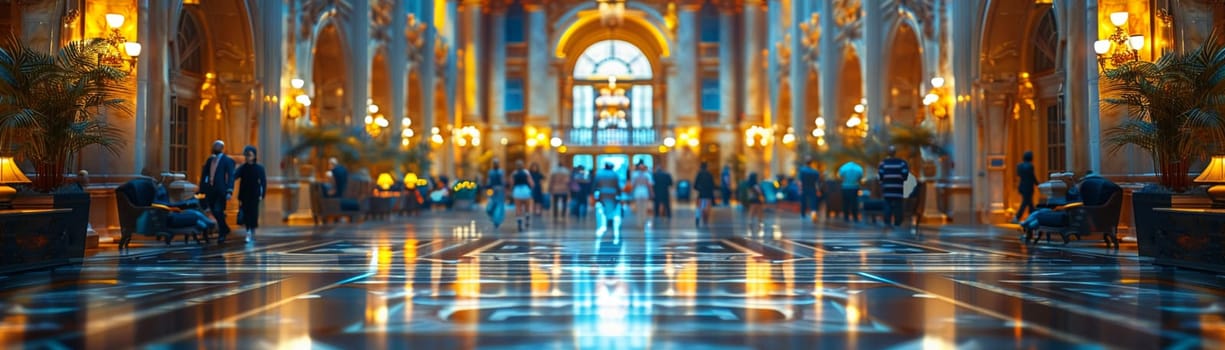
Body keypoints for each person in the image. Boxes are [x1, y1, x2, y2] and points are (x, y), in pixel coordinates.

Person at [198, 140, 235, 243]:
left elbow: (231, 176)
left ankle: (222, 233)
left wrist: (229, 191)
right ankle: (225, 228)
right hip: (210, 191)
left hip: (221, 191)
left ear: (222, 148)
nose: (215, 148)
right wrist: (202, 189)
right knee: (214, 211)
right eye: (214, 146)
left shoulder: (227, 161)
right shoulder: (209, 160)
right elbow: (204, 175)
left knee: (218, 210)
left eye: (217, 147)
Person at [234, 146, 266, 243]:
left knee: (253, 214)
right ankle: (248, 231)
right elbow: (235, 176)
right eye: (246, 155)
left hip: (254, 195)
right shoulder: (242, 167)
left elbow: (263, 182)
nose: (248, 157)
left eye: (250, 155)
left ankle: (252, 231)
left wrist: (262, 194)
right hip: (244, 194)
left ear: (254, 156)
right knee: (246, 214)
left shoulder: (259, 168)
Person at [878, 146, 910, 227]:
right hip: (898, 188)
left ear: (888, 153)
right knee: (898, 206)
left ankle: (887, 222)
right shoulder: (902, 163)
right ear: (895, 152)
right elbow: (905, 174)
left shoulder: (883, 163)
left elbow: (881, 175)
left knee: (887, 205)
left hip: (887, 188)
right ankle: (897, 222)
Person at [594, 162, 622, 228]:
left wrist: (594, 192)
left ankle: (607, 217)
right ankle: (609, 218)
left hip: (603, 193)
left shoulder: (600, 174)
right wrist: (619, 193)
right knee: (611, 207)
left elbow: (596, 184)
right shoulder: (614, 174)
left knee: (604, 207)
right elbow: (617, 185)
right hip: (612, 193)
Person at [1013, 151, 1038, 223]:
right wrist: (1038, 184)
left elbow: (1018, 175)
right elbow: (1032, 176)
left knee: (1029, 203)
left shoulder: (1019, 166)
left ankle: (1032, 217)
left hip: (1022, 186)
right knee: (1026, 202)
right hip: (1029, 187)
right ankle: (1017, 217)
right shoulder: (1030, 166)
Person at [510, 160, 535, 231]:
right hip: (525, 190)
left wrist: (512, 190)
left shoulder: (514, 173)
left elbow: (512, 183)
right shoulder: (526, 172)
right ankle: (527, 220)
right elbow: (531, 183)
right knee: (527, 207)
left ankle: (519, 224)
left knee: (518, 208)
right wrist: (531, 189)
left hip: (517, 190)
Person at [485, 159, 506, 229]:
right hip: (494, 190)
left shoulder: (499, 172)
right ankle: (495, 218)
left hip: (498, 190)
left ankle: (496, 220)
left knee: (498, 205)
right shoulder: (492, 172)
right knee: (493, 204)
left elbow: (502, 181)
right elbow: (489, 181)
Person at [694, 162, 716, 227]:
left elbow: (695, 185)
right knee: (707, 207)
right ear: (707, 167)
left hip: (701, 194)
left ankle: (698, 217)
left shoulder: (699, 174)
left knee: (699, 207)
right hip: (708, 194)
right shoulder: (710, 174)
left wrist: (700, 189)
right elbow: (713, 185)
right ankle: (705, 220)